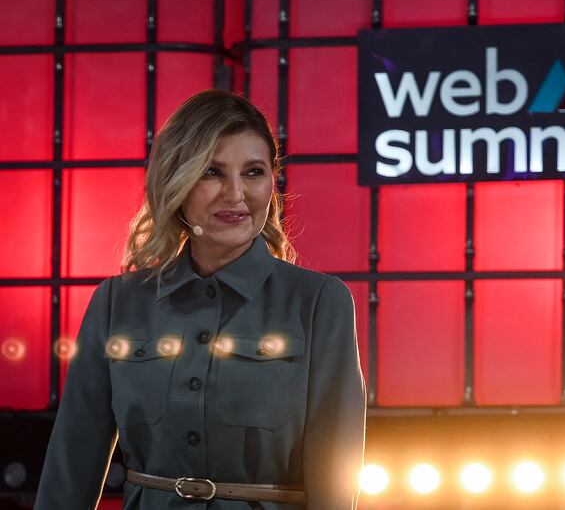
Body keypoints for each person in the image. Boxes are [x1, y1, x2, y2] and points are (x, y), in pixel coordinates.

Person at [34, 89, 367, 509]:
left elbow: (336, 478)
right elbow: (70, 467)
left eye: (253, 172)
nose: (235, 194)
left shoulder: (319, 302)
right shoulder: (117, 302)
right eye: (212, 172)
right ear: (176, 180)